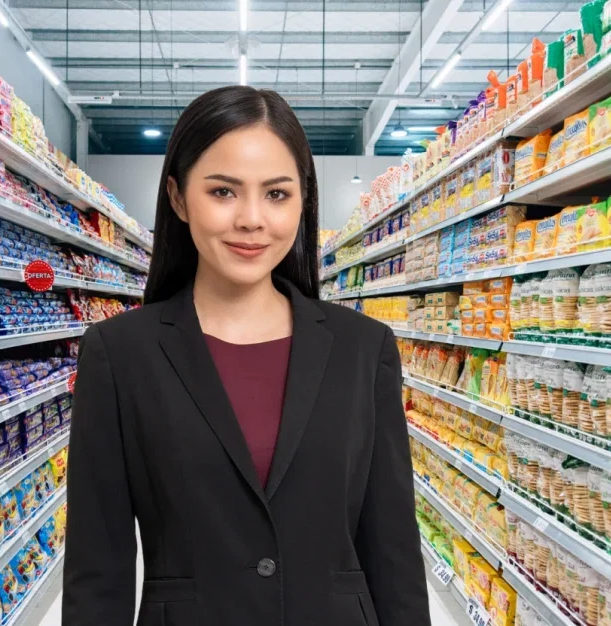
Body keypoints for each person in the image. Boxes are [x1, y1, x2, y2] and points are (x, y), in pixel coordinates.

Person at [63, 85, 431, 626]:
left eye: (277, 194)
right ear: (178, 198)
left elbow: (392, 548)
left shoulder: (363, 348)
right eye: (223, 192)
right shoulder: (119, 355)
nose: (252, 219)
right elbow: (97, 569)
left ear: (303, 201)